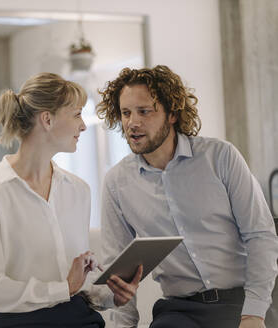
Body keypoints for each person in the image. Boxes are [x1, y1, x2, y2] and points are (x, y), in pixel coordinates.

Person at [95, 65, 278, 328]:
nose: (132, 123)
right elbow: (118, 273)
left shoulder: (220, 157)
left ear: (172, 113)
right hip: (179, 312)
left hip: (242, 303)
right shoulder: (117, 183)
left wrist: (254, 313)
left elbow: (260, 235)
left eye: (144, 111)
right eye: (126, 113)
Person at [0, 72, 142, 328]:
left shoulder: (77, 190)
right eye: (77, 114)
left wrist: (112, 295)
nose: (83, 126)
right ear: (47, 119)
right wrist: (62, 288)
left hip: (76, 318)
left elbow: (77, 287)